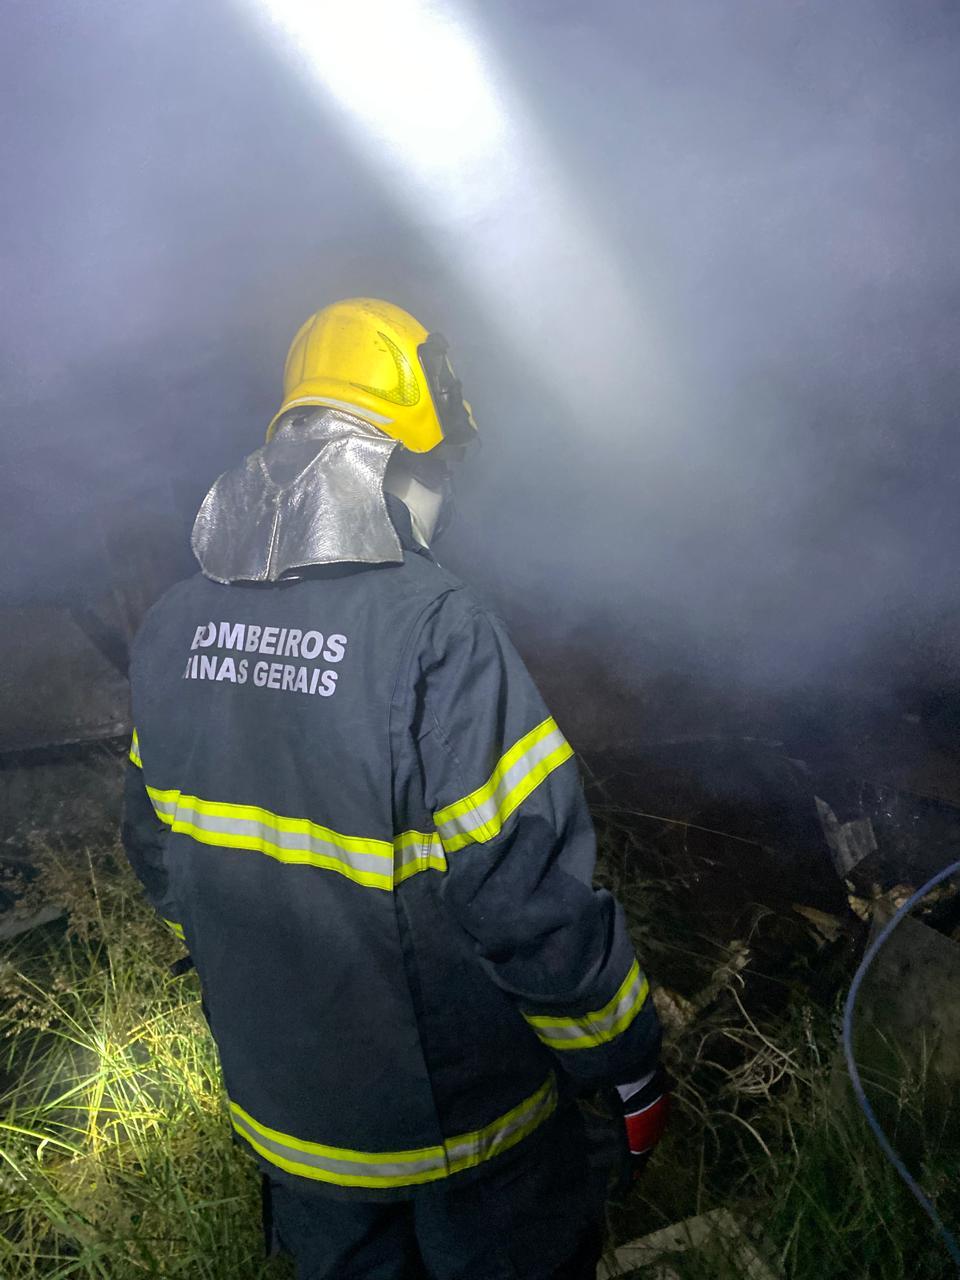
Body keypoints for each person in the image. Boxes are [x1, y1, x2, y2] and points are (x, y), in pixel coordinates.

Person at [122, 298, 668, 1279]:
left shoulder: (171, 626)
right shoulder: (439, 628)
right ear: (409, 456)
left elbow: (163, 863)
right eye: (447, 460)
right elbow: (526, 895)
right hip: (470, 1137)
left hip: (286, 1120)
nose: (451, 487)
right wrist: (623, 1056)